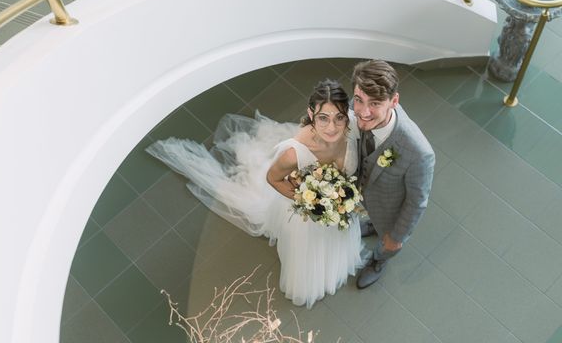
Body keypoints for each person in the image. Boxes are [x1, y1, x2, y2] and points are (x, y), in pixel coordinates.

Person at [146, 79, 363, 309]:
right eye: (323, 118)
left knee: (337, 239)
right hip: (309, 216)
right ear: (311, 114)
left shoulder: (353, 128)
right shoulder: (293, 153)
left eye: (339, 117)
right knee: (312, 251)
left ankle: (336, 263)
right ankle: (315, 279)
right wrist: (311, 203)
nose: (332, 127)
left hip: (340, 209)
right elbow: (273, 179)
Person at [351, 60, 435, 289]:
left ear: (394, 101)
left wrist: (395, 238)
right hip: (366, 196)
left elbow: (417, 202)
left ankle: (378, 261)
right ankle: (372, 224)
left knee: (387, 240)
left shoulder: (419, 153)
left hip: (389, 207)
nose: (363, 112)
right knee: (371, 216)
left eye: (375, 104)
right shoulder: (355, 109)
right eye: (359, 100)